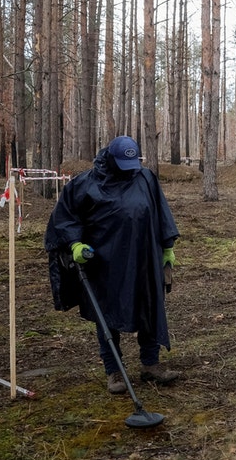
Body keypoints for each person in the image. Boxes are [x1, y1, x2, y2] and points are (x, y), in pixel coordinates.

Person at [45, 136, 180, 394]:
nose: (129, 170)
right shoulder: (86, 184)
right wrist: (75, 245)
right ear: (110, 158)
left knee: (149, 306)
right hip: (105, 263)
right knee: (107, 314)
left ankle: (150, 365)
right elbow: (65, 217)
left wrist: (168, 247)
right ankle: (113, 370)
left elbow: (161, 211)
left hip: (145, 257)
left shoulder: (145, 178)